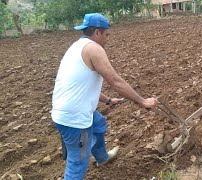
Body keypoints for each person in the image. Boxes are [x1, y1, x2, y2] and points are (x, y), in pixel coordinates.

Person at [51, 13, 158, 180]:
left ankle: (102, 158)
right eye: (106, 34)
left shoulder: (78, 47)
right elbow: (115, 82)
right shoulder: (94, 48)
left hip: (70, 110)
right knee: (78, 162)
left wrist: (108, 100)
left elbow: (83, 86)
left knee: (99, 124)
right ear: (97, 33)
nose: (107, 39)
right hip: (75, 119)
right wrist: (143, 101)